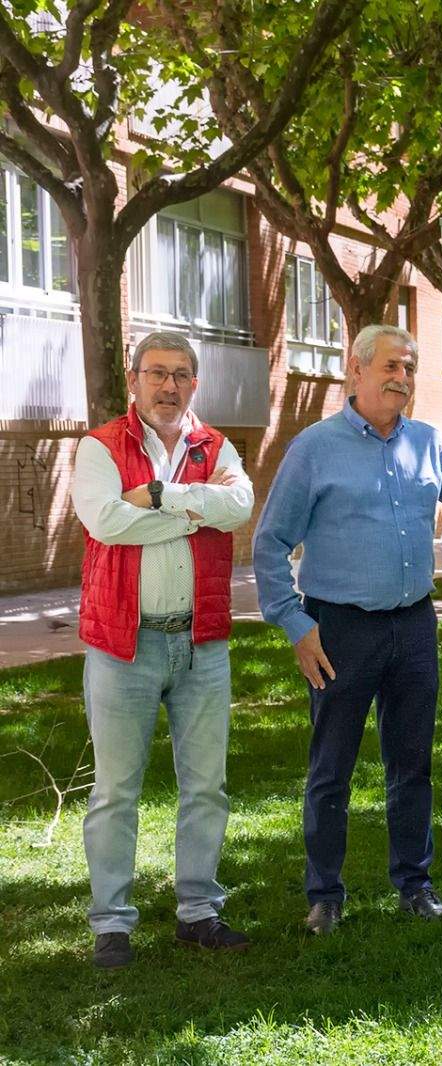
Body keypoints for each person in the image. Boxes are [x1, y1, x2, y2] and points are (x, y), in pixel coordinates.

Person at [253, 324, 442, 935]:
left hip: (415, 625)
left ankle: (415, 886)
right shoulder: (314, 448)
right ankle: (325, 896)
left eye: (411, 367)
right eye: (392, 365)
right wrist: (295, 625)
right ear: (357, 371)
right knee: (331, 768)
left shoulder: (427, 444)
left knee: (413, 763)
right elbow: (269, 543)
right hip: (339, 629)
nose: (403, 377)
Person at [70, 331, 255, 969]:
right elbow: (106, 522)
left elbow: (240, 506)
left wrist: (162, 496)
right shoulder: (99, 446)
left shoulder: (214, 445)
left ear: (194, 384)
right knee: (117, 790)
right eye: (156, 373)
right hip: (124, 643)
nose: (168, 386)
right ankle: (112, 925)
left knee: (207, 787)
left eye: (180, 375)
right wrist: (196, 513)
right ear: (134, 379)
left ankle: (198, 913)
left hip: (201, 641)